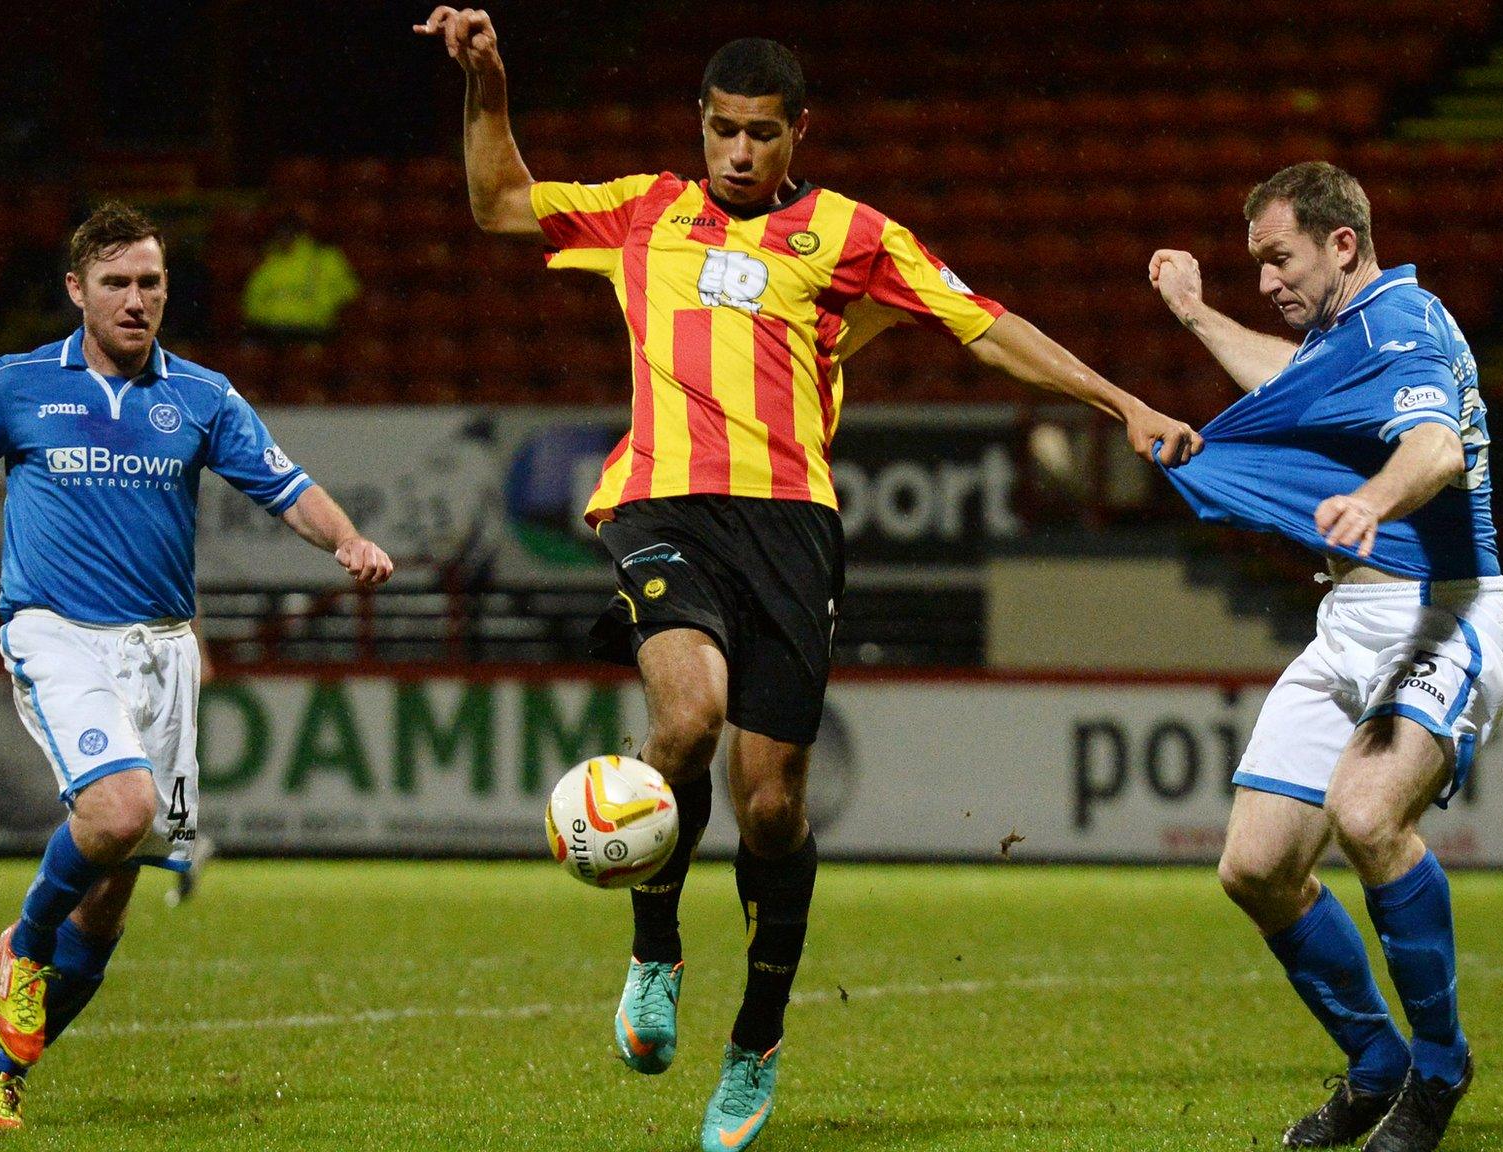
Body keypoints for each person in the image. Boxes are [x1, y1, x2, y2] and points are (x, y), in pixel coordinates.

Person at [415, 11, 1200, 1150]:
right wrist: (487, 83)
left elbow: (984, 326)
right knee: (682, 719)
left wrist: (1123, 404)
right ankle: (653, 952)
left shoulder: (851, 233)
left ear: (797, 135)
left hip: (790, 527)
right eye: (723, 131)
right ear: (699, 124)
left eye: (761, 135)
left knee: (770, 806)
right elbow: (497, 200)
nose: (739, 153)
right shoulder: (644, 210)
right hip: (659, 502)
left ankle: (757, 1038)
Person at [0, 201, 395, 1130]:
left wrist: (348, 538)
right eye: (118, 283)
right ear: (76, 291)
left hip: (164, 653)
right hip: (57, 633)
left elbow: (287, 489)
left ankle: (3, 1074)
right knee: (118, 811)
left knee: (114, 901)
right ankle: (26, 940)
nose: (136, 300)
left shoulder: (202, 398)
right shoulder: (16, 386)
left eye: (152, 283)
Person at [1148, 162, 1503, 1152]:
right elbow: (1284, 381)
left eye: (1277, 258)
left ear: (1339, 244)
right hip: (1347, 626)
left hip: (1441, 614)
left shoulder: (1402, 324)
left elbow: (1434, 448)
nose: (1264, 279)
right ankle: (1374, 1063)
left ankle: (1437, 1068)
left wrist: (1370, 502)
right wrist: (1192, 313)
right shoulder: (1339, 338)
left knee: (1363, 813)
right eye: (1254, 263)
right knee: (1254, 866)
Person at [241, 203, 362, 342]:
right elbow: (252, 300)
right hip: (269, 330)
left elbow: (349, 290)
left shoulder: (325, 258)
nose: (285, 236)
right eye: (281, 231)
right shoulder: (268, 261)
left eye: (289, 231)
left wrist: (320, 307)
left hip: (311, 330)